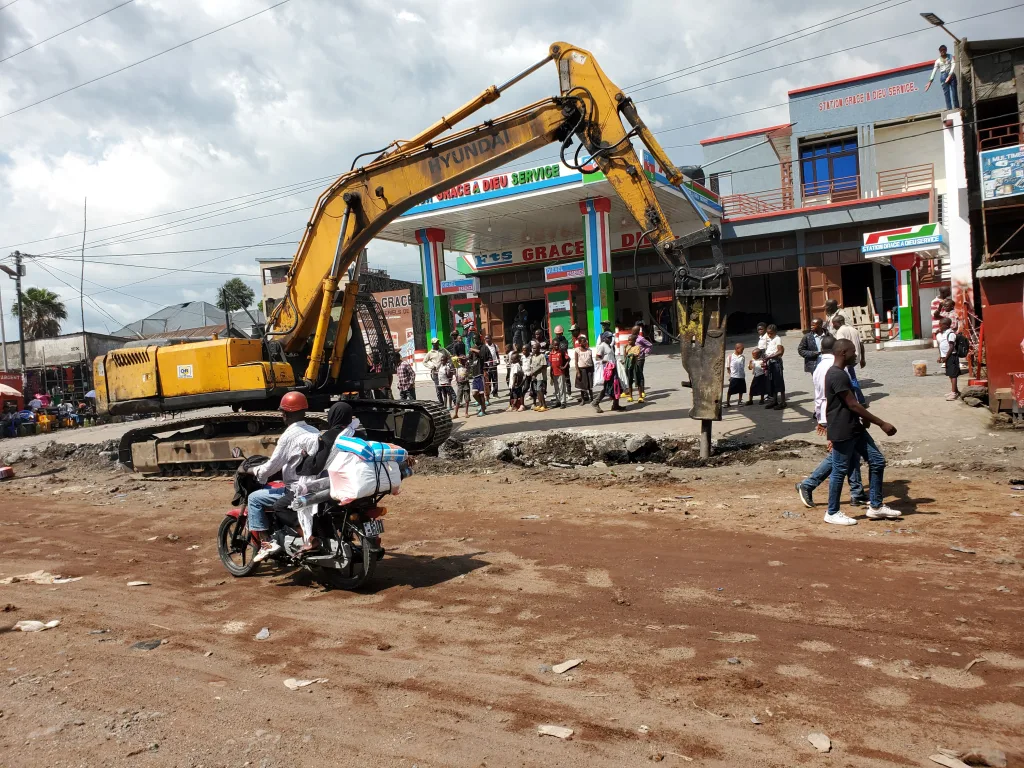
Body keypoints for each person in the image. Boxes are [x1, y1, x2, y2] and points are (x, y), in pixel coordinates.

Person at [823, 339, 900, 526]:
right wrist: (881, 423)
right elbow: (852, 404)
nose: (855, 355)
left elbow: (854, 404)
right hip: (842, 429)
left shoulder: (842, 373)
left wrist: (864, 418)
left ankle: (875, 506)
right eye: (853, 352)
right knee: (840, 470)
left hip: (853, 427)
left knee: (877, 461)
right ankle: (832, 512)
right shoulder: (836, 375)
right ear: (842, 352)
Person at [246, 392, 321, 562]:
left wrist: (254, 471)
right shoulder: (314, 430)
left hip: (296, 488)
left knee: (254, 499)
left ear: (285, 414)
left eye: (282, 413)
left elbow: (272, 466)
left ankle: (266, 544)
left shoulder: (288, 436)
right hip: (315, 484)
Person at [795, 335, 867, 509]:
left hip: (829, 415)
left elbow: (820, 395)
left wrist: (820, 418)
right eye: (851, 351)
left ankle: (857, 492)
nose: (854, 354)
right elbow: (842, 396)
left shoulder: (819, 366)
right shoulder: (835, 367)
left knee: (850, 453)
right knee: (839, 455)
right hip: (838, 416)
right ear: (839, 350)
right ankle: (809, 484)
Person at [831, 315, 866, 405]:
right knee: (851, 378)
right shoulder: (854, 329)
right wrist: (862, 359)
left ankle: (860, 401)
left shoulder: (840, 331)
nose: (833, 326)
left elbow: (841, 346)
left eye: (834, 324)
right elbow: (861, 345)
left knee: (851, 379)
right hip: (856, 358)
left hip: (847, 359)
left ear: (839, 322)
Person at [592, 331, 622, 413]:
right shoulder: (602, 346)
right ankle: (596, 402)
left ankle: (616, 404)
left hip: (613, 368)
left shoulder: (610, 346)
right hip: (607, 370)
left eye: (611, 337)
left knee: (617, 386)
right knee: (608, 387)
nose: (610, 339)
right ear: (604, 338)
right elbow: (597, 358)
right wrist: (604, 361)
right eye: (608, 337)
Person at [924, 44, 959, 110]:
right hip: (943, 75)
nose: (943, 51)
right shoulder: (938, 61)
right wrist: (930, 81)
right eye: (941, 50)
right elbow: (934, 70)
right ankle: (949, 108)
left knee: (954, 92)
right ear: (939, 51)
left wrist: (950, 74)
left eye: (944, 50)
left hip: (951, 75)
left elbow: (953, 64)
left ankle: (956, 107)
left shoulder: (950, 56)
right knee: (946, 93)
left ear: (946, 50)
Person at [624, 326, 652, 403]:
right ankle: (630, 394)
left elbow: (649, 345)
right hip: (630, 362)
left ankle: (642, 392)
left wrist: (645, 352)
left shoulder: (640, 339)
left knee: (639, 375)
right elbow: (626, 355)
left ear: (637, 331)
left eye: (634, 331)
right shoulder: (630, 342)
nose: (632, 331)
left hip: (639, 359)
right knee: (630, 378)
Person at [937, 316, 961, 401]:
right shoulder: (944, 333)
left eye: (941, 324)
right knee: (950, 374)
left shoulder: (951, 334)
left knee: (953, 375)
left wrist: (946, 357)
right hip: (947, 357)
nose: (939, 326)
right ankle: (955, 391)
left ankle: (954, 393)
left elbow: (951, 347)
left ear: (946, 325)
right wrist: (941, 356)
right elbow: (942, 345)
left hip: (952, 356)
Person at [763, 324, 786, 409]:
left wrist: (769, 357)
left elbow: (779, 351)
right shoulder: (770, 340)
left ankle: (783, 402)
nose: (769, 335)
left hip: (776, 362)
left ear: (775, 332)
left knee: (779, 381)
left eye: (771, 333)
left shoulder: (777, 339)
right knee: (772, 382)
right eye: (768, 333)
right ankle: (774, 400)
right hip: (770, 363)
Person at [527, 340, 549, 412]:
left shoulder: (542, 356)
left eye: (535, 348)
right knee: (537, 391)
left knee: (540, 390)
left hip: (540, 376)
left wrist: (534, 372)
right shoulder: (533, 357)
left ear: (539, 348)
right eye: (533, 348)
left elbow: (543, 366)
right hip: (535, 376)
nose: (534, 349)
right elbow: (531, 366)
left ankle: (544, 405)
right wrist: (532, 373)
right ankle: (539, 404)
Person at [467, 343, 487, 416]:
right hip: (475, 377)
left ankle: (483, 410)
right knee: (474, 394)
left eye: (473, 351)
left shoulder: (480, 357)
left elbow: (480, 352)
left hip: (480, 376)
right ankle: (483, 405)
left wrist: (473, 349)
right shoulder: (472, 359)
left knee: (481, 394)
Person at [548, 338, 569, 408]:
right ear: (552, 345)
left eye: (557, 345)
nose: (556, 347)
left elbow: (568, 359)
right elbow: (551, 364)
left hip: (560, 373)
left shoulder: (562, 352)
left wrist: (564, 367)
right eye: (555, 345)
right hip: (554, 373)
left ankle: (563, 402)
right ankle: (558, 401)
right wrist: (550, 374)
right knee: (556, 388)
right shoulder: (551, 353)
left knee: (562, 388)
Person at [574, 334, 594, 403]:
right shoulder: (577, 351)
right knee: (582, 386)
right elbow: (576, 362)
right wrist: (578, 372)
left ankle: (592, 398)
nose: (585, 343)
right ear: (579, 343)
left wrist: (593, 370)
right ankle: (583, 400)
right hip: (582, 370)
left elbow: (591, 360)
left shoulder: (589, 351)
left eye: (585, 341)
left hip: (589, 369)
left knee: (589, 385)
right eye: (583, 342)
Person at [424, 338, 445, 405]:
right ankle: (441, 403)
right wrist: (431, 366)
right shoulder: (430, 353)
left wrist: (448, 364)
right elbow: (424, 362)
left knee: (445, 388)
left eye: (437, 342)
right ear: (432, 344)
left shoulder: (443, 350)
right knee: (438, 389)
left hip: (444, 372)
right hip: (435, 373)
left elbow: (449, 356)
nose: (437, 344)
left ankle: (448, 403)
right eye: (435, 343)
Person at [725, 342, 746, 407]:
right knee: (730, 390)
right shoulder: (730, 357)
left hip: (741, 376)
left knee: (741, 389)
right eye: (741, 349)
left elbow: (743, 366)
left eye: (743, 350)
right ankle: (727, 402)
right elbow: (728, 367)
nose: (742, 351)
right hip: (734, 376)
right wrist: (730, 375)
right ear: (737, 349)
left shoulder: (742, 357)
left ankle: (740, 401)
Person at [481, 334, 501, 400]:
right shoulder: (484, 347)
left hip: (494, 365)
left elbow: (497, 353)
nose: (487, 340)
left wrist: (498, 360)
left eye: (488, 338)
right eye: (486, 339)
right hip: (487, 366)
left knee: (495, 379)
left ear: (491, 339)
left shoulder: (495, 346)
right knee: (488, 380)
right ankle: (488, 394)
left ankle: (495, 393)